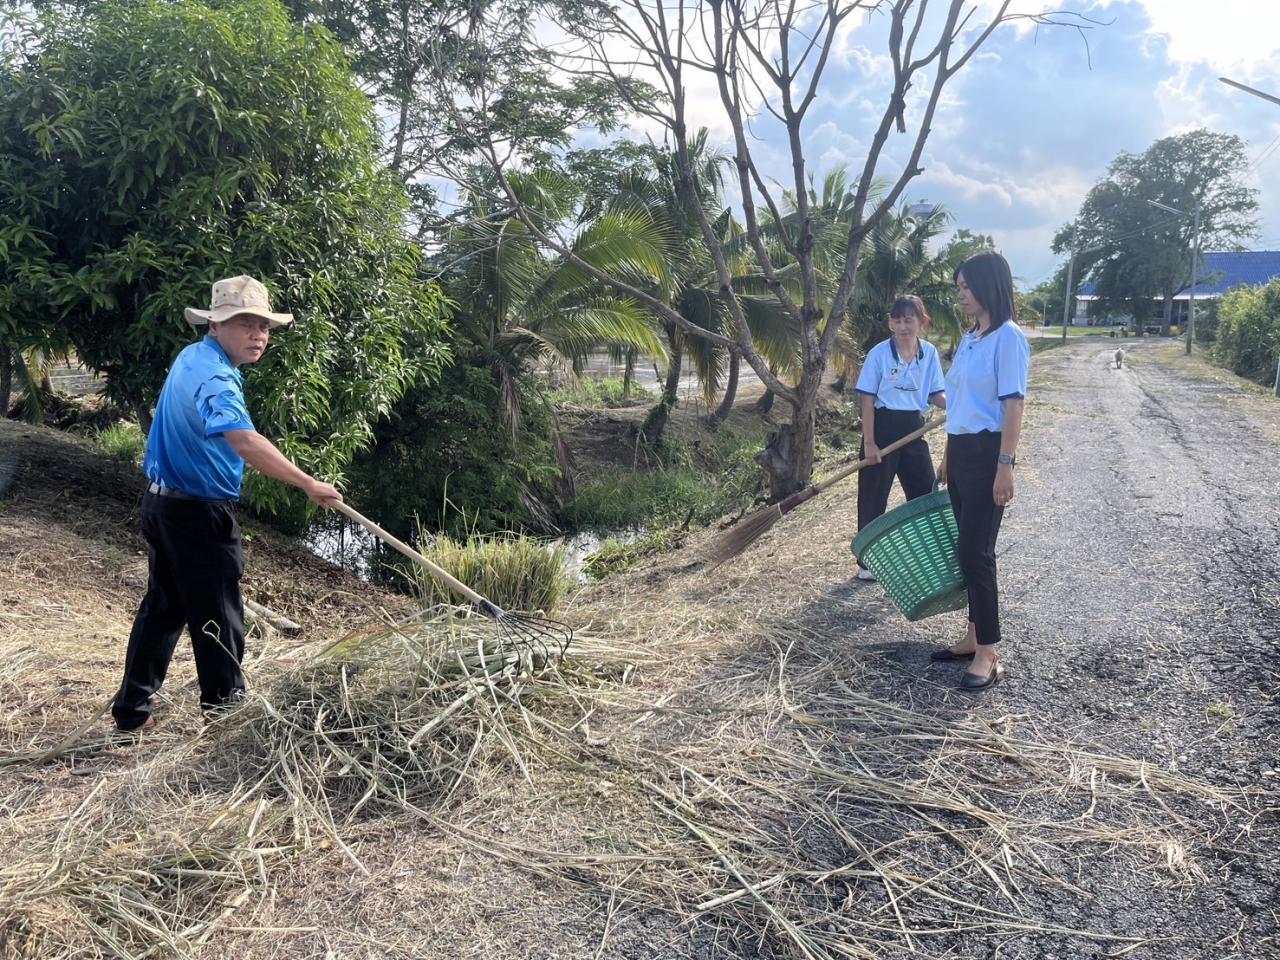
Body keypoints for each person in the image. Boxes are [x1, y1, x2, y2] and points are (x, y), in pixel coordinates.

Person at [111, 276, 343, 733]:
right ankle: (227, 717)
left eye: (264, 326)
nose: (259, 335)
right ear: (216, 326)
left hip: (162, 506)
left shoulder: (194, 357)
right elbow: (243, 439)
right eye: (246, 324)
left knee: (165, 608)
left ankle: (131, 713)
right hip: (196, 514)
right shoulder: (216, 374)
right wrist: (308, 483)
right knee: (219, 613)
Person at [933, 252, 1029, 691]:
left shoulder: (1008, 338)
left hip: (991, 452)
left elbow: (1013, 405)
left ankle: (989, 652)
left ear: (989, 286)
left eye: (967, 287)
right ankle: (972, 637)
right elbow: (962, 405)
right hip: (963, 451)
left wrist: (1004, 465)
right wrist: (950, 452)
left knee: (978, 551)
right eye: (959, 288)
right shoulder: (972, 337)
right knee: (965, 549)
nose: (961, 295)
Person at [853, 295, 947, 581]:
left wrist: (956, 405)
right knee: (873, 495)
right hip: (882, 427)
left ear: (921, 322)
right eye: (897, 320)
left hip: (914, 428)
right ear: (890, 322)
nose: (903, 326)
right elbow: (867, 400)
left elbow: (934, 393)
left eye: (909, 320)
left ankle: (931, 554)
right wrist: (869, 442)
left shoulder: (928, 353)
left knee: (924, 492)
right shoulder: (879, 354)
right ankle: (866, 562)